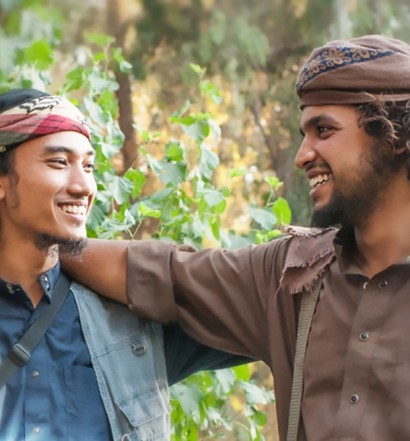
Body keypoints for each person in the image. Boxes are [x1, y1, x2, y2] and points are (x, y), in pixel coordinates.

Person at [61, 34, 410, 441]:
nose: (302, 155)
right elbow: (163, 273)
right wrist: (43, 240)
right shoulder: (294, 277)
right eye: (304, 133)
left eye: (324, 130)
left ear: (395, 135)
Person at [0, 88, 251, 441]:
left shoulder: (131, 322)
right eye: (59, 162)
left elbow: (266, 308)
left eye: (88, 166)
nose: (84, 186)